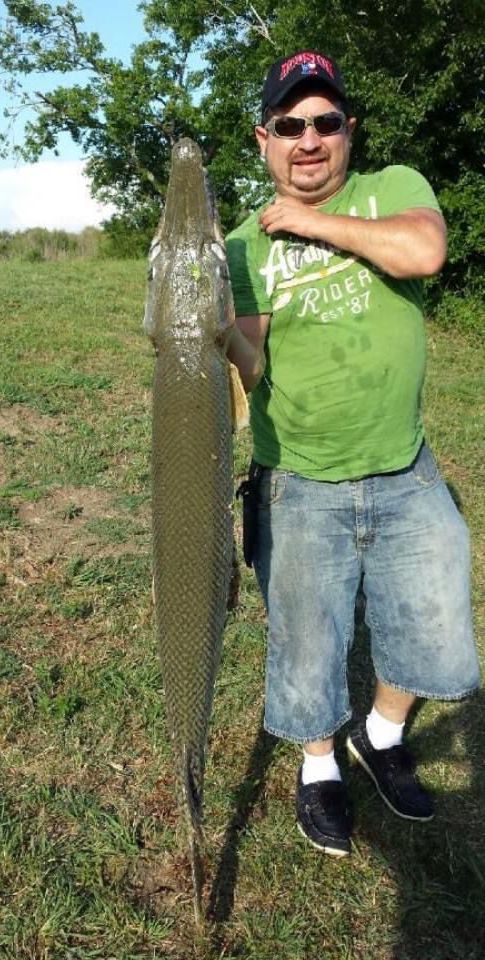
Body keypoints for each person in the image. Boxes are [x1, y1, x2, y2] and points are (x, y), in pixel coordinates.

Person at [225, 49, 480, 856]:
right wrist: (199, 324)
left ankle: (380, 731)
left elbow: (423, 253)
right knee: (307, 640)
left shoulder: (392, 190)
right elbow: (251, 363)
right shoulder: (240, 245)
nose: (308, 138)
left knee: (433, 626)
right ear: (264, 138)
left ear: (348, 131)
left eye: (324, 122)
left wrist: (308, 222)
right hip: (298, 479)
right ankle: (319, 767)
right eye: (290, 124)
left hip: (405, 469)